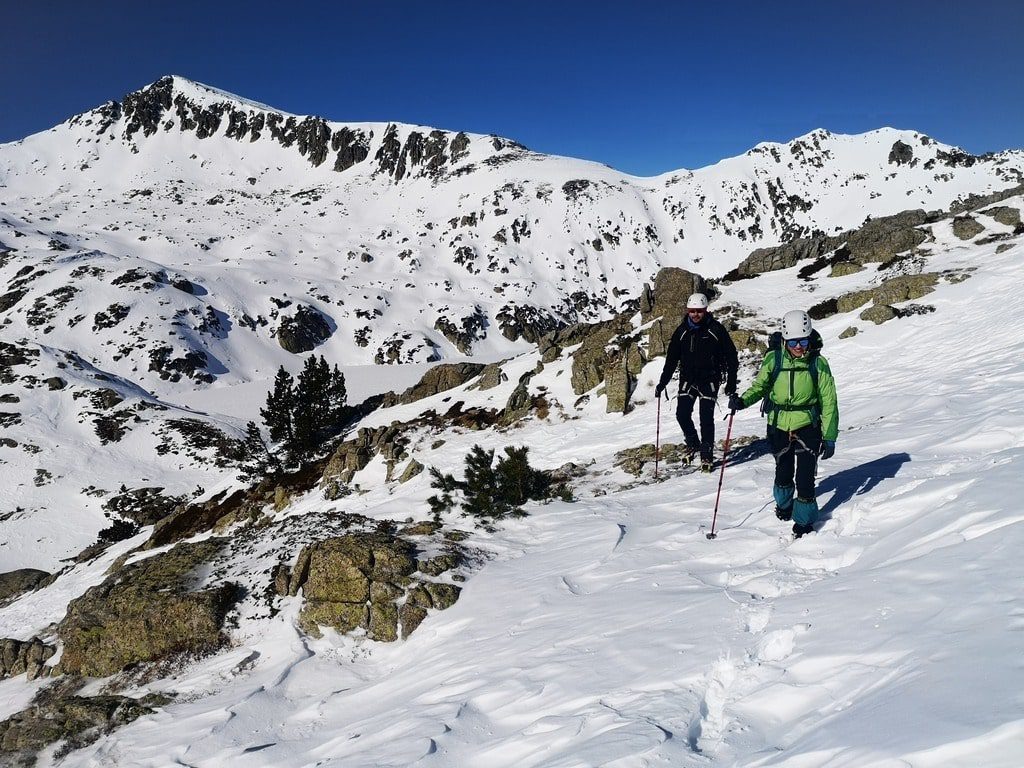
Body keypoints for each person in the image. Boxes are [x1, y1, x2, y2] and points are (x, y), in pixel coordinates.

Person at [728, 310, 839, 538]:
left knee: (805, 478)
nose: (799, 346)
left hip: (808, 425)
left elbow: (829, 402)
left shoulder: (818, 363)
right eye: (794, 342)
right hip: (778, 424)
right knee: (784, 473)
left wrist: (829, 437)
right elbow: (761, 387)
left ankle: (804, 522)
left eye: (804, 340)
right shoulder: (774, 359)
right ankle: (785, 504)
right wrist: (741, 401)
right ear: (785, 340)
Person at [655, 293, 739, 472]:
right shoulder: (681, 331)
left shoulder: (716, 330)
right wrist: (662, 383)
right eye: (692, 311)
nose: (695, 314)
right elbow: (671, 360)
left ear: (705, 310)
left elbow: (732, 356)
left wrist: (731, 382)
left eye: (699, 311)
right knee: (682, 414)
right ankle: (693, 443)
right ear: (687, 311)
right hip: (688, 379)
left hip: (710, 379)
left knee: (706, 418)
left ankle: (706, 453)